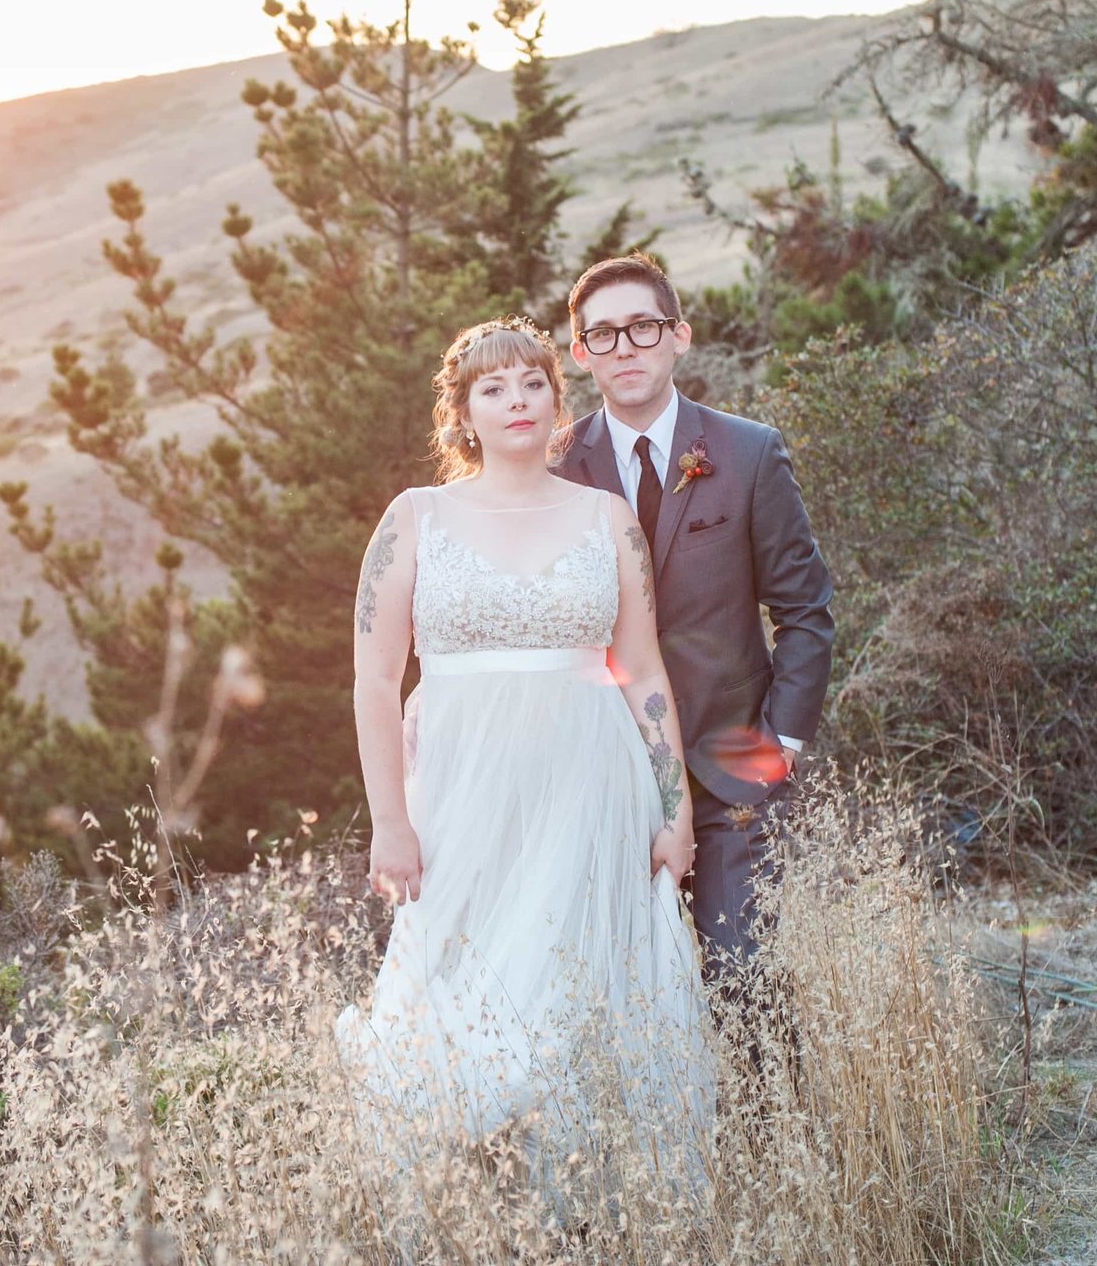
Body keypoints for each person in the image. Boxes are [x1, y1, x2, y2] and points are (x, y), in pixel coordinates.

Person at [334, 315, 711, 1187]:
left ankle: (584, 1197)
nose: (516, 401)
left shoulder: (606, 519)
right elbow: (373, 679)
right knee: (456, 989)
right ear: (461, 413)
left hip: (591, 784)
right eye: (493, 389)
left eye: (533, 384)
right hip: (461, 792)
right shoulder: (415, 518)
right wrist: (390, 821)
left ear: (557, 401)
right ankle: (468, 1200)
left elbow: (644, 671)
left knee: (575, 987)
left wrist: (675, 808)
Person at [551, 253, 834, 984]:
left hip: (731, 772)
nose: (626, 348)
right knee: (618, 995)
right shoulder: (553, 469)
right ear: (581, 355)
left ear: (679, 335)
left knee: (745, 985)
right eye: (604, 335)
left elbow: (804, 611)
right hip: (600, 777)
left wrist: (780, 747)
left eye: (642, 327)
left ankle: (770, 1107)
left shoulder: (746, 452)